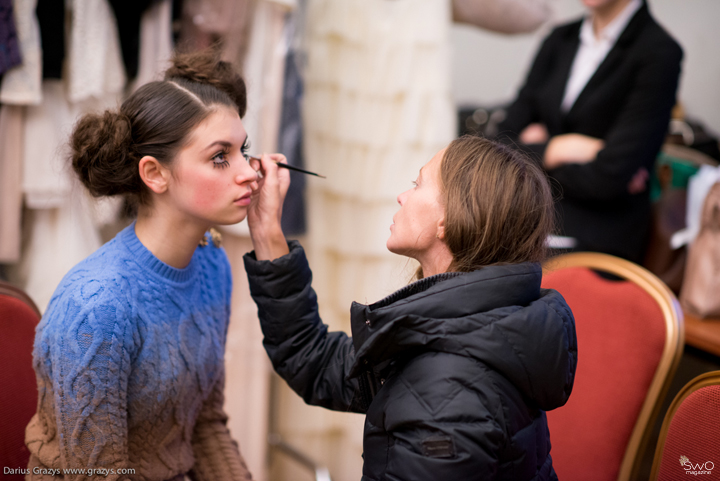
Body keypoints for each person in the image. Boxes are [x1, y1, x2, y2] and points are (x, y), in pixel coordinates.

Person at [244, 135, 578, 480]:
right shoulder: (466, 331)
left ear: (448, 219)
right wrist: (268, 230)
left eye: (417, 184)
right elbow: (314, 359)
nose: (402, 196)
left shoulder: (446, 391)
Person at [25, 50, 269, 480]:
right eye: (220, 157)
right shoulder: (97, 307)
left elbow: (205, 425)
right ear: (155, 174)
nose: (249, 172)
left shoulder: (212, 265)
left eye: (243, 151)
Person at [497, 0, 683, 263]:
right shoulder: (559, 39)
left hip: (597, 230)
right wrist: (559, 148)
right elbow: (498, 144)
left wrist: (530, 157)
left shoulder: (657, 51)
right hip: (532, 216)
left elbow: (610, 177)